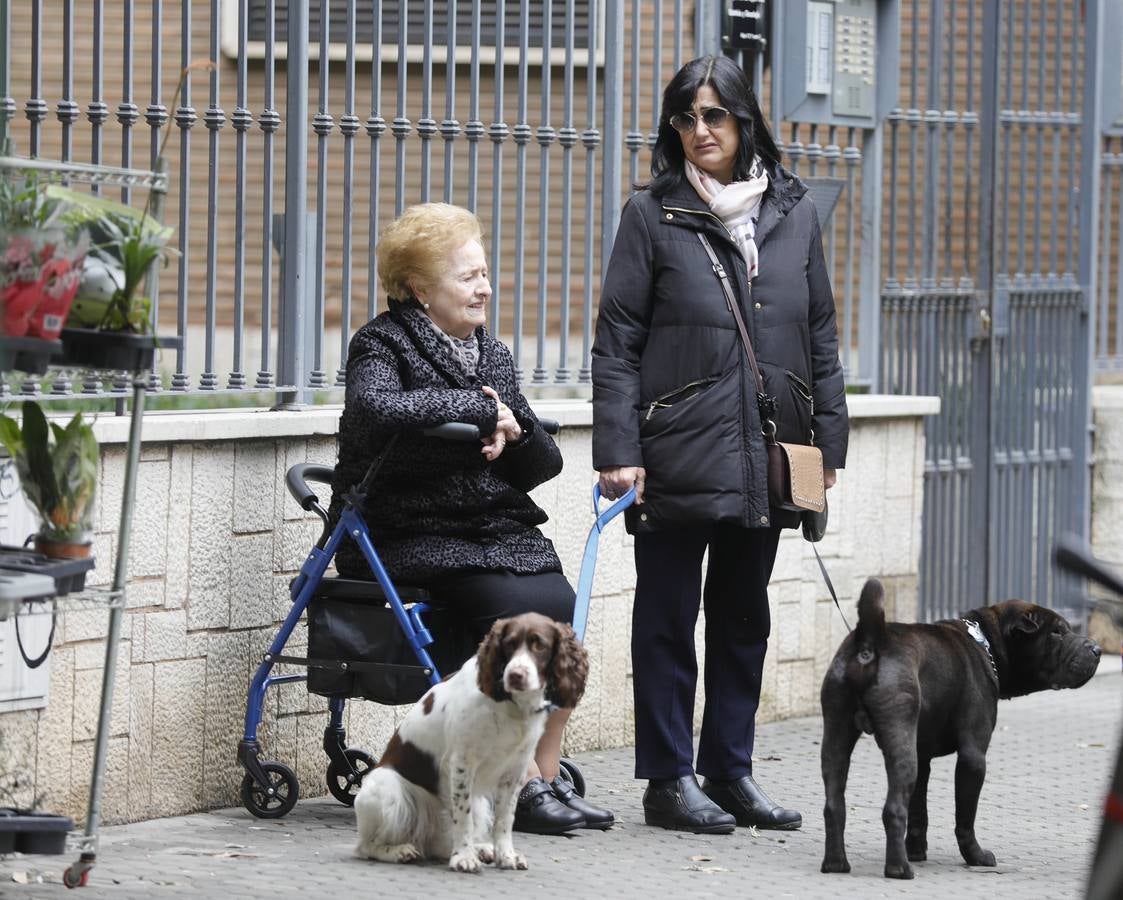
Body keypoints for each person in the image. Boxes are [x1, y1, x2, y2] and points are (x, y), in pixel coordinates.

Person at [591, 55, 849, 835]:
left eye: (713, 116)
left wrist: (827, 443)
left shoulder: (792, 210)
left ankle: (729, 771)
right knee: (667, 621)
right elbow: (616, 340)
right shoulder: (652, 214)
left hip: (768, 450)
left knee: (743, 618)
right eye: (684, 118)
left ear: (743, 120)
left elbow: (820, 334)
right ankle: (667, 780)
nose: (699, 131)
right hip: (673, 450)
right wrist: (617, 448)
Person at [330, 202, 613, 835]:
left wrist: (515, 431)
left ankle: (542, 774)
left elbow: (541, 465)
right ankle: (516, 785)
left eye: (484, 273)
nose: (484, 287)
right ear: (419, 289)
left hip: (485, 529)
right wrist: (480, 412)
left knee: (557, 617)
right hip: (407, 528)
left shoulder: (491, 354)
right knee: (505, 616)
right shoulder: (382, 343)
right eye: (467, 277)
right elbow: (377, 409)